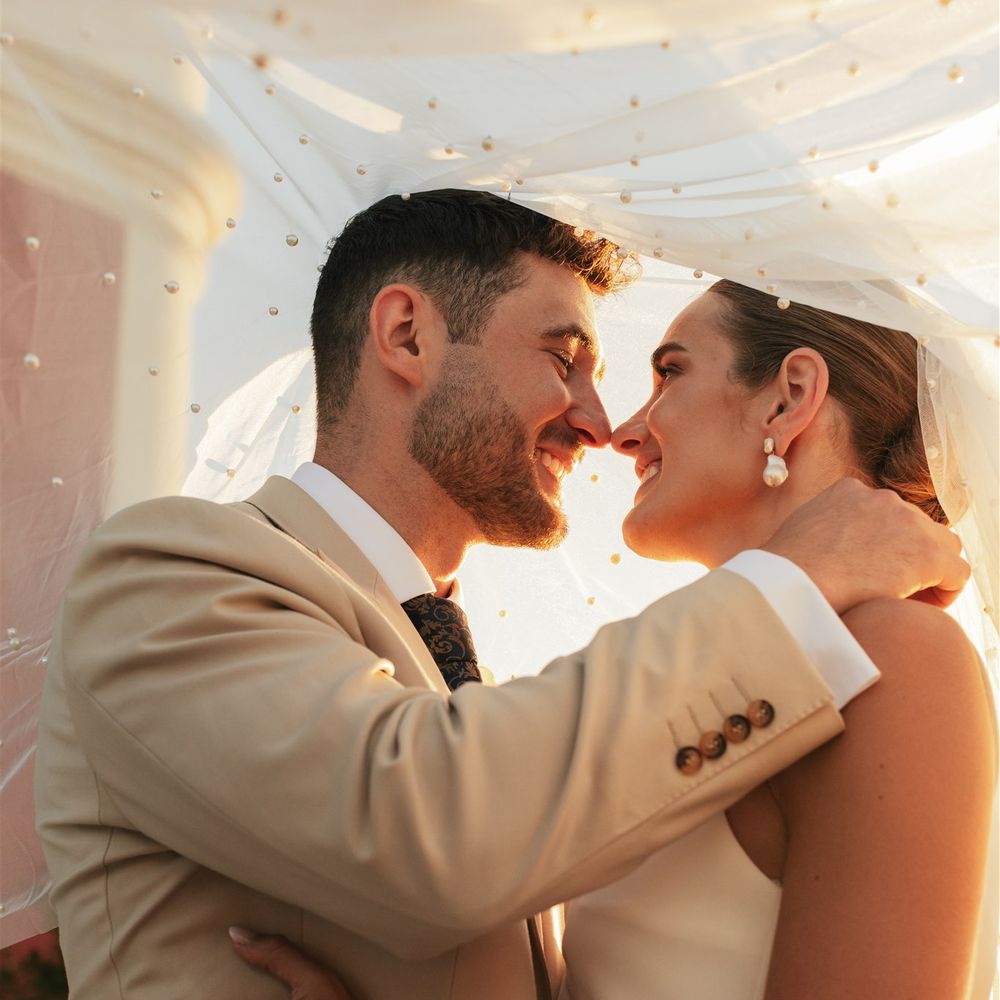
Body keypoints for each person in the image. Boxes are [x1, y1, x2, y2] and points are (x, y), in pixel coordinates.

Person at [34, 191, 969, 1000]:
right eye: (565, 359)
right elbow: (429, 832)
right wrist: (798, 577)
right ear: (407, 335)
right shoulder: (165, 576)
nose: (601, 424)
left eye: (660, 372)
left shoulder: (506, 716)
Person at [235, 278, 995, 999]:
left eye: (670, 374)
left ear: (788, 398)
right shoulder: (666, 704)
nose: (624, 433)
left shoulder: (894, 654)